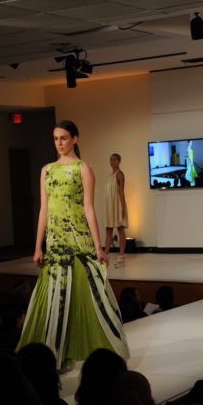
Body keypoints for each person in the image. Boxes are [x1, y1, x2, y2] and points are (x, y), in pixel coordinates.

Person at [16, 120, 129, 372]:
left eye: (64, 138)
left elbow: (89, 208)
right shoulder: (46, 170)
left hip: (79, 239)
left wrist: (98, 246)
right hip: (55, 241)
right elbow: (44, 210)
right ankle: (57, 356)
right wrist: (38, 246)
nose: (59, 143)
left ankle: (108, 354)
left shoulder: (83, 168)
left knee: (89, 294)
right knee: (56, 298)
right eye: (56, 138)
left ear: (75, 139)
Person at [104, 153, 128, 268]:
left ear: (119, 161)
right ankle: (105, 257)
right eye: (111, 159)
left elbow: (121, 191)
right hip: (110, 206)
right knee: (108, 229)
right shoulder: (110, 175)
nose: (112, 162)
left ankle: (121, 257)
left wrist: (123, 207)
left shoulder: (120, 174)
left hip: (117, 204)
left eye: (114, 159)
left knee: (120, 229)